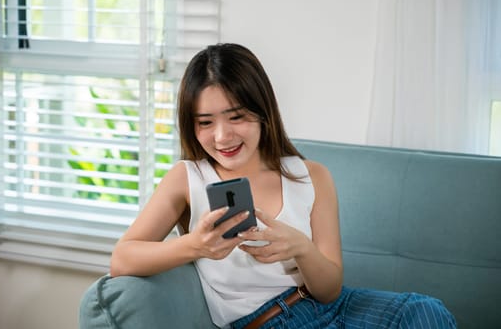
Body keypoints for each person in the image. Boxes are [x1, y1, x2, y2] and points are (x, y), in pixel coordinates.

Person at [110, 43, 456, 328]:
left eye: (236, 117)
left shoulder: (312, 175)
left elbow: (330, 291)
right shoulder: (189, 178)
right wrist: (196, 246)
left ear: (263, 112)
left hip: (335, 308)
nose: (221, 136)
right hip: (266, 321)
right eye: (205, 122)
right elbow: (122, 259)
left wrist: (301, 248)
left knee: (427, 312)